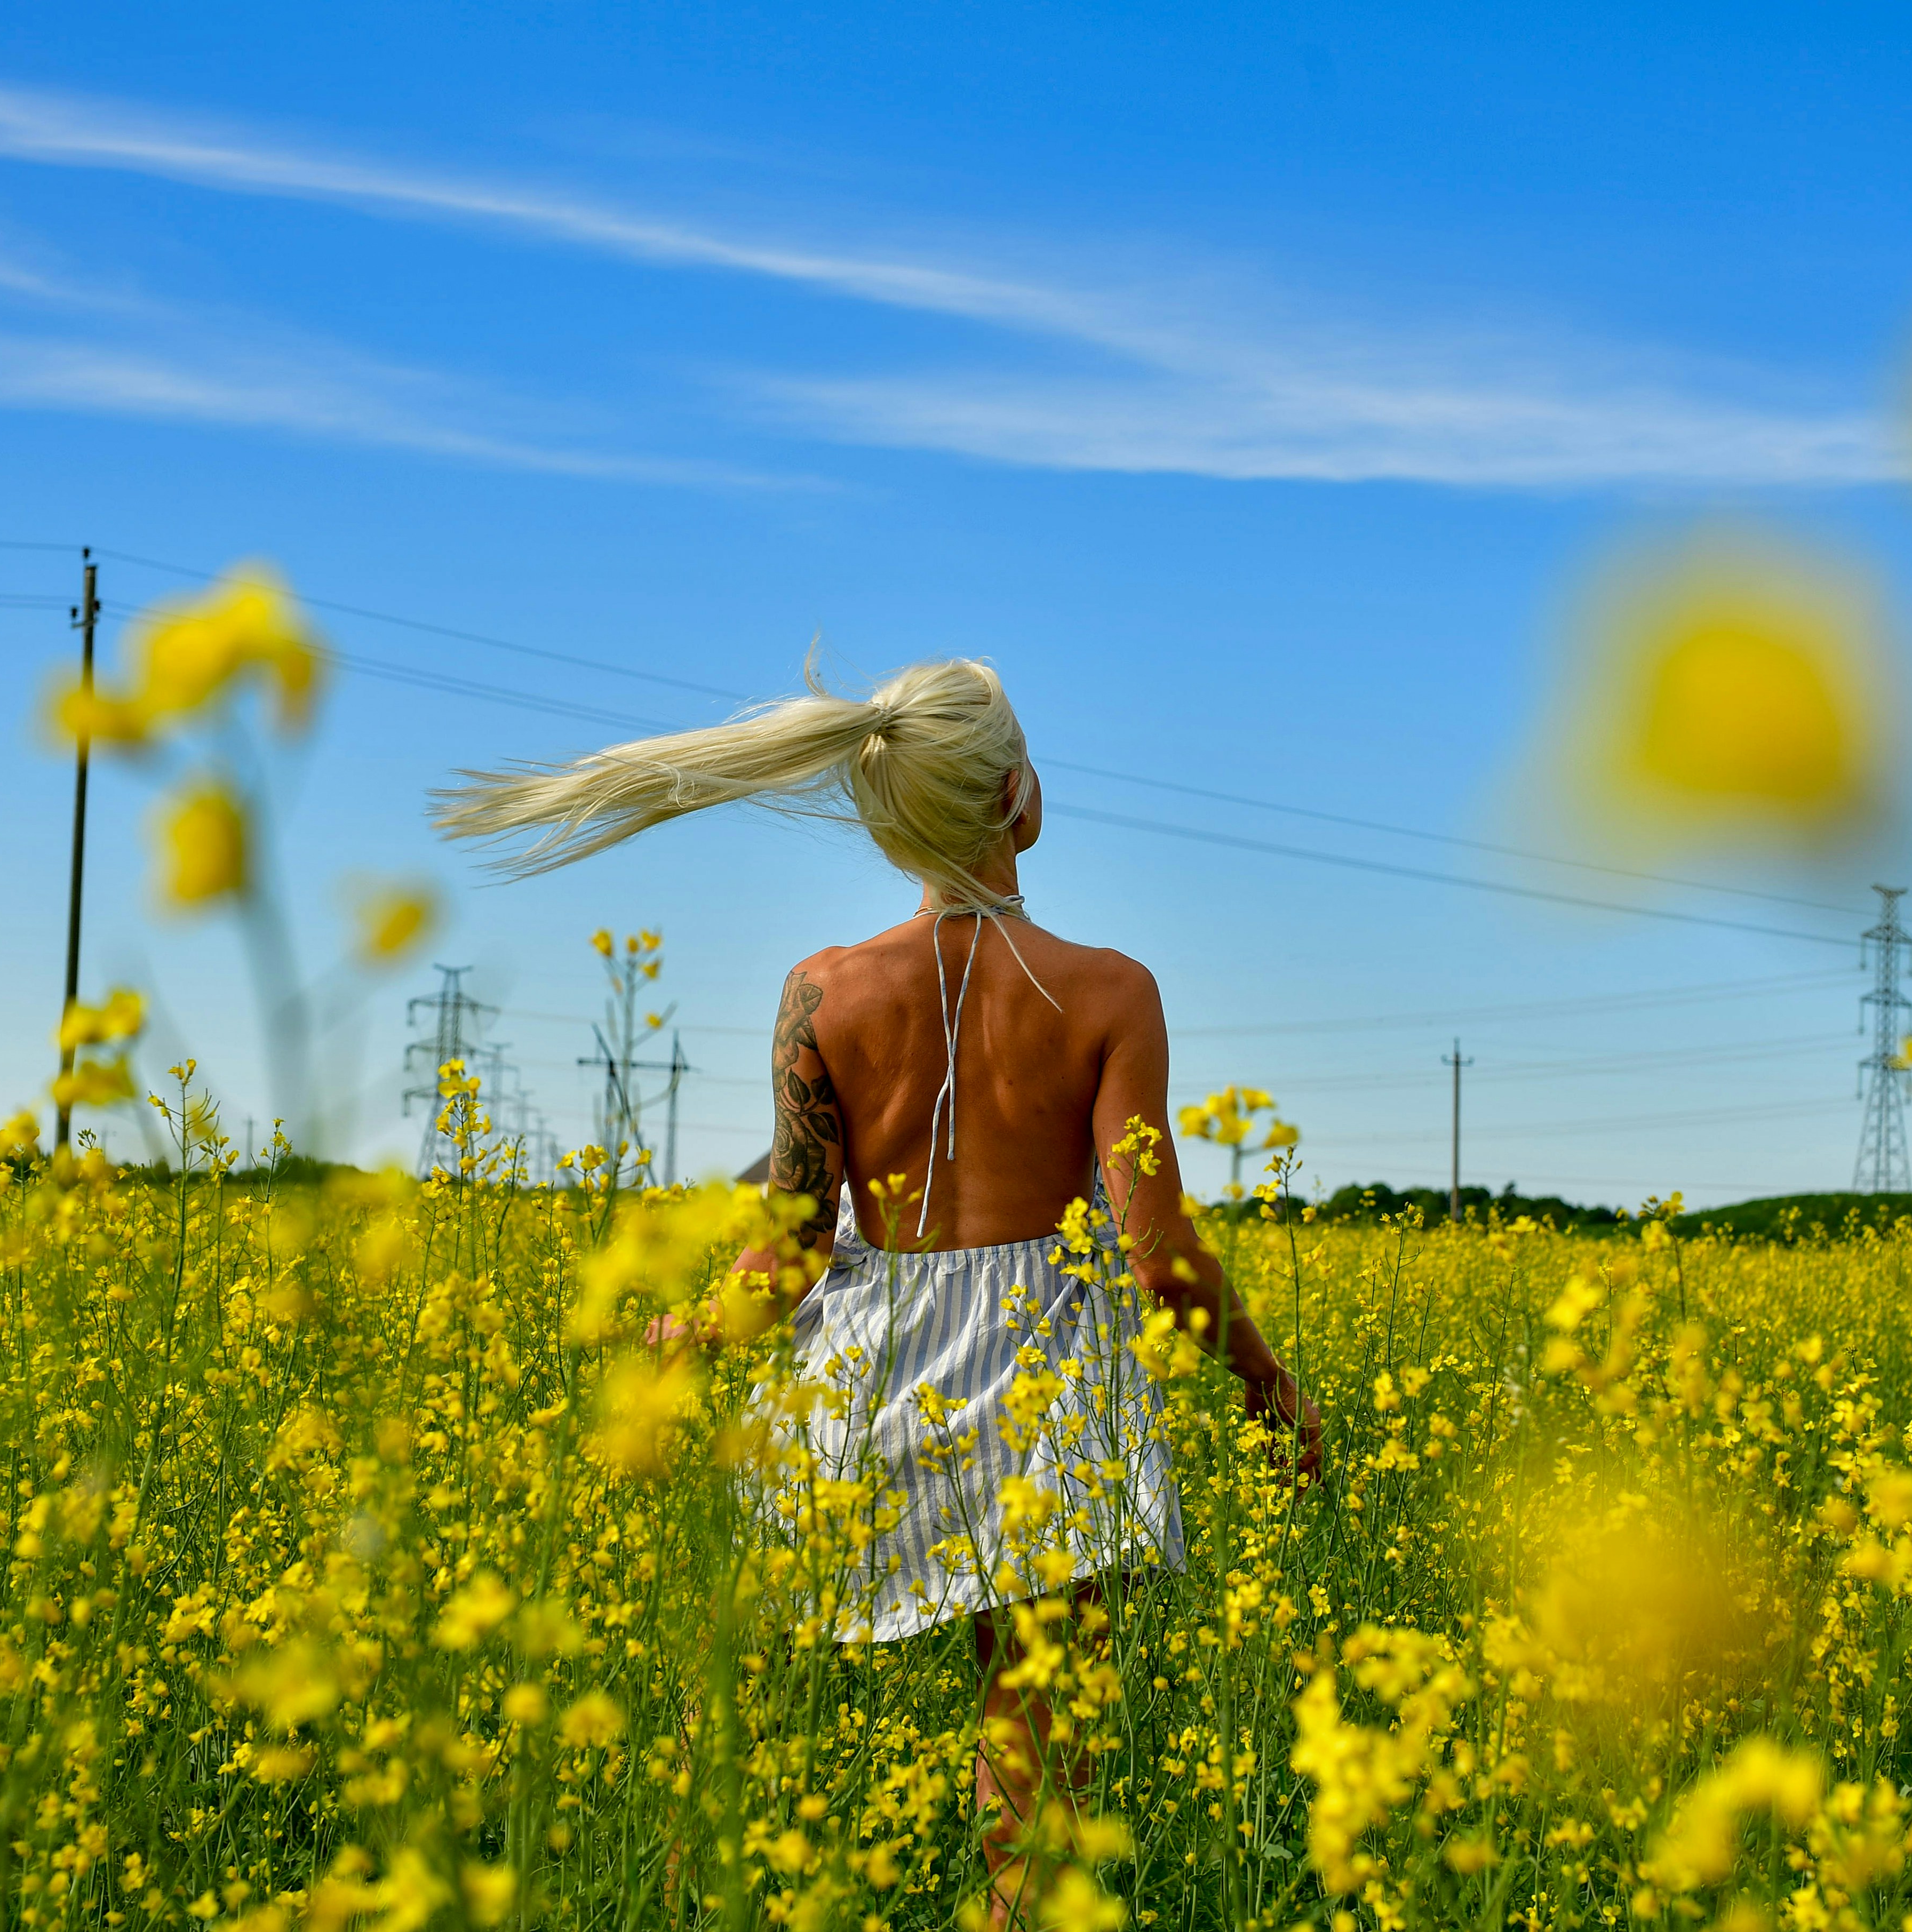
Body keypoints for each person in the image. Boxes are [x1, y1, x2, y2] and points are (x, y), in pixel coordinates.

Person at [437, 656, 1322, 1920]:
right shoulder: (1111, 991)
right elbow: (1155, 1249)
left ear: (885, 815)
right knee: (1035, 1762)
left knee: (733, 1723)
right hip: (1051, 1378)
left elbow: (789, 1247)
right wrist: (1269, 1393)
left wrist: (686, 1330)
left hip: (864, 1360)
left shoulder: (823, 991)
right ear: (1018, 793)